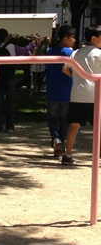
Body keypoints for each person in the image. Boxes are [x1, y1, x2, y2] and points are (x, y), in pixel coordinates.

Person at [60, 25, 101, 166]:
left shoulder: (76, 53)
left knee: (74, 125)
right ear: (94, 38)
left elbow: (65, 68)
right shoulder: (99, 54)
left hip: (78, 93)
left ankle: (67, 155)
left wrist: (77, 77)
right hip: (96, 95)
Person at [0, 28, 37, 133]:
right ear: (6, 38)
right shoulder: (12, 47)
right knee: (10, 103)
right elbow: (25, 49)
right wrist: (32, 43)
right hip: (10, 77)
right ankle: (9, 126)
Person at [45, 25, 76, 157]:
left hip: (52, 90)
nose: (74, 40)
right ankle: (61, 145)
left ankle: (55, 138)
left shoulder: (49, 51)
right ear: (65, 39)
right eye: (72, 38)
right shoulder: (70, 54)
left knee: (52, 117)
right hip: (66, 91)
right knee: (64, 119)